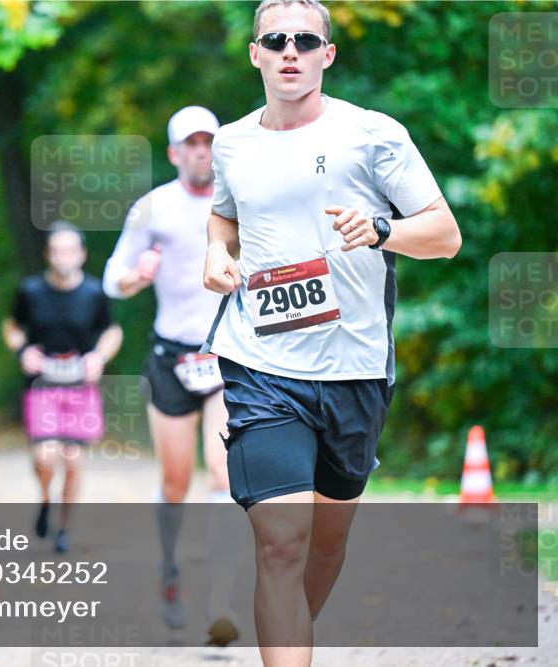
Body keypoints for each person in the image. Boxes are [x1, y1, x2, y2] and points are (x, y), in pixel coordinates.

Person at [201, 1, 462, 664]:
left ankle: (286, 621)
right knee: (283, 540)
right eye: (276, 40)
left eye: (305, 40)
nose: (291, 51)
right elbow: (224, 219)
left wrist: (381, 230)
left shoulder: (372, 135)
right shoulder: (232, 143)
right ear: (255, 53)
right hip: (259, 361)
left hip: (355, 368)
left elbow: (445, 233)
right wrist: (215, 252)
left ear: (327, 54)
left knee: (323, 544)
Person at [103, 106, 244, 643]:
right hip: (171, 357)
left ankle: (220, 603)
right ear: (174, 153)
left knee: (224, 477)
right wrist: (136, 277)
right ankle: (170, 569)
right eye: (190, 143)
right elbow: (112, 278)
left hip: (226, 354)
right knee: (175, 482)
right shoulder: (153, 207)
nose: (201, 151)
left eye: (208, 141)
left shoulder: (240, 201)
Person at [2, 221, 123, 553]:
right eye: (56, 251)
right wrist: (21, 351)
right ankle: (44, 500)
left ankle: (64, 527)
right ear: (47, 255)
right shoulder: (30, 291)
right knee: (45, 456)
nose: (63, 257)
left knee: (73, 461)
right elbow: (12, 327)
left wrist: (99, 357)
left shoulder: (94, 293)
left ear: (81, 255)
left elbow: (112, 332)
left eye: (69, 250)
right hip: (42, 385)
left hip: (79, 387)